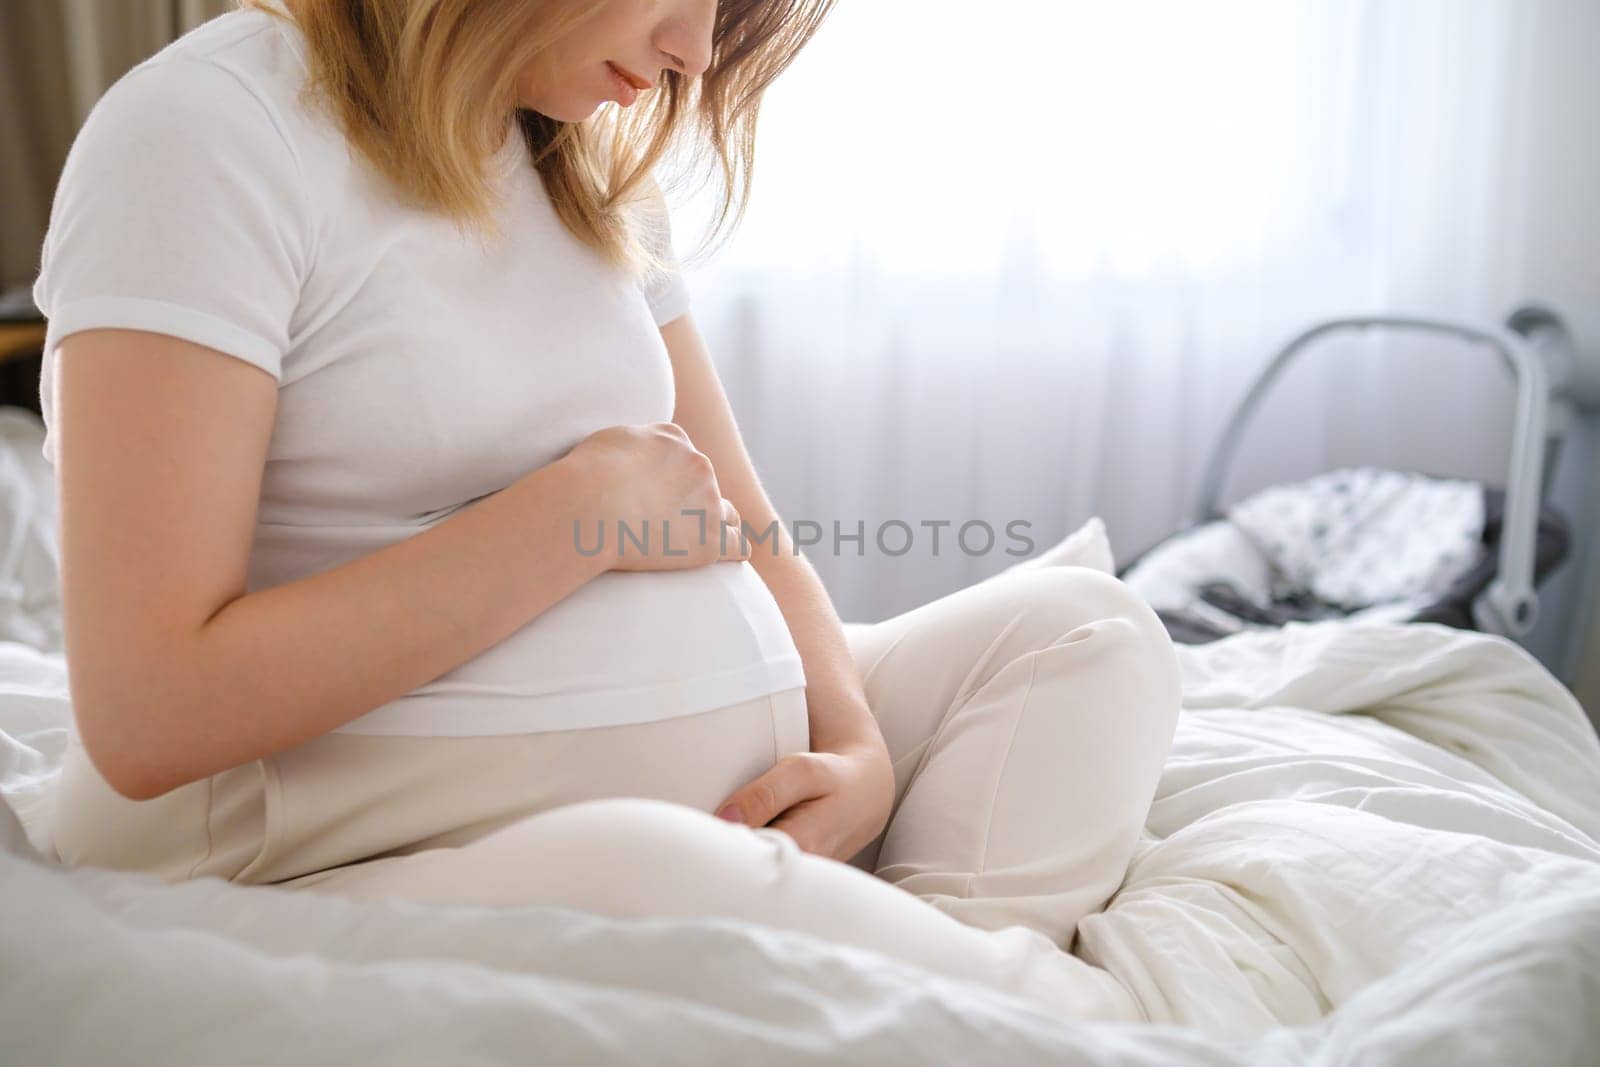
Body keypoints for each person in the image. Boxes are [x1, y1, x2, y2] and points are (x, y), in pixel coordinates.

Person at [37, 0, 1181, 1021]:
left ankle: (896, 994)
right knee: (665, 877)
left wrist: (856, 747)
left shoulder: (577, 166)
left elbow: (739, 512)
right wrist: (576, 511)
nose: (694, 52)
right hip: (313, 846)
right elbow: (149, 713)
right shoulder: (211, 132)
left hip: (700, 806)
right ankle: (1032, 1015)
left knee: (1088, 631)